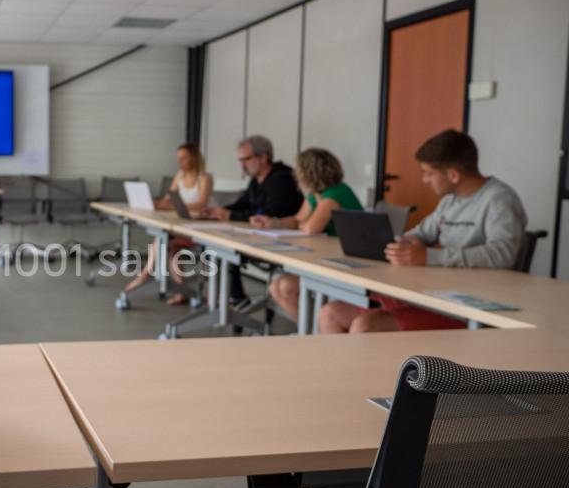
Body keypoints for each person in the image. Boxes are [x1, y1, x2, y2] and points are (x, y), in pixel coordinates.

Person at [320, 129, 527, 334]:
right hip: (433, 294)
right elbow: (420, 234)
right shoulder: (449, 201)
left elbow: (503, 254)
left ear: (453, 175)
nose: (424, 180)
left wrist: (430, 257)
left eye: (429, 173)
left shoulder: (499, 200)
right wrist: (397, 243)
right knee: (330, 313)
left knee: (365, 326)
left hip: (465, 308)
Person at [251, 148, 363, 326]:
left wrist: (303, 223)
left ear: (310, 172)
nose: (295, 174)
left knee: (286, 287)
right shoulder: (316, 194)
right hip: (324, 258)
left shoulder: (336, 193)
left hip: (346, 263)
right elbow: (297, 220)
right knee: (276, 287)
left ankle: (314, 331)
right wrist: (273, 223)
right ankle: (311, 331)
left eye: (299, 169)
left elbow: (310, 227)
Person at [202, 134, 304, 305]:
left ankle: (234, 298)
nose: (242, 165)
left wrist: (230, 215)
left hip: (284, 242)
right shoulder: (257, 179)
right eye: (240, 160)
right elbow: (243, 204)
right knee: (220, 245)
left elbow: (269, 214)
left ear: (263, 157)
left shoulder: (282, 179)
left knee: (225, 248)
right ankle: (233, 297)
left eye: (246, 159)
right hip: (261, 237)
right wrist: (220, 211)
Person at [122, 142, 213, 305]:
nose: (180, 161)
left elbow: (201, 204)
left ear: (193, 158)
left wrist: (173, 205)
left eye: (184, 158)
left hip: (199, 229)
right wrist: (160, 203)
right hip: (181, 227)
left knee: (163, 240)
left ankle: (145, 275)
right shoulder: (179, 176)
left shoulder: (204, 178)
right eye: (179, 158)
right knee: (167, 243)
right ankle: (181, 289)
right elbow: (169, 198)